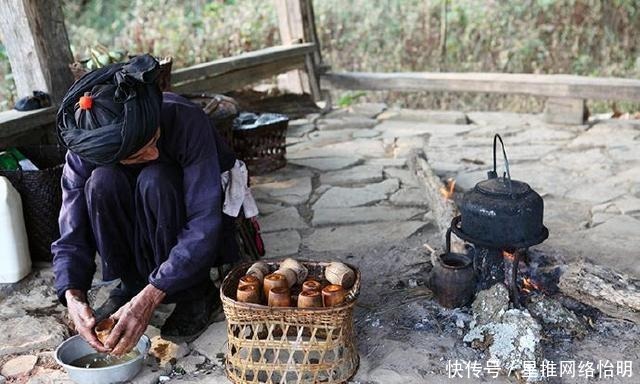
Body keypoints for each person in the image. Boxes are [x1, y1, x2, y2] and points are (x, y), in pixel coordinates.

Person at [52, 54, 243, 356]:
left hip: (177, 199)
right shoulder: (87, 148)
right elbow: (71, 232)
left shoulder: (184, 119)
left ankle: (194, 292)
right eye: (138, 153)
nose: (153, 151)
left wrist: (151, 297)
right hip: (131, 200)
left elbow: (204, 220)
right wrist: (72, 294)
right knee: (101, 183)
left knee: (156, 177)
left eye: (154, 139)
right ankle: (131, 285)